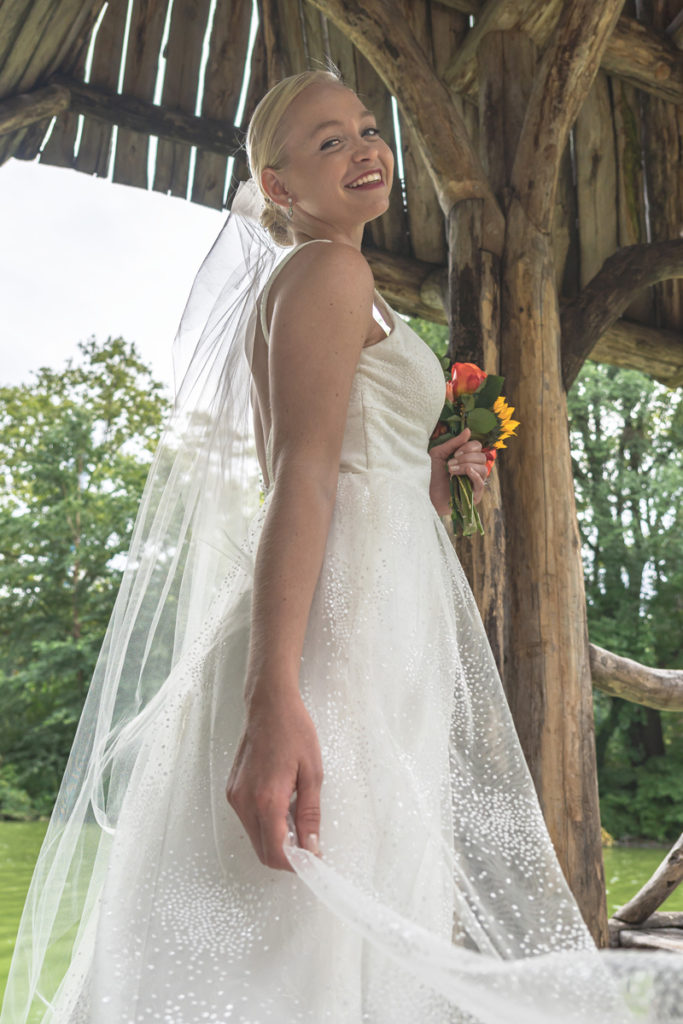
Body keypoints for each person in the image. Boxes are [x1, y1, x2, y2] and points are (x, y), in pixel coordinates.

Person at [2, 69, 682, 1024]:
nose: (367, 147)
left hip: (379, 625)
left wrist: (436, 471)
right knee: (306, 918)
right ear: (278, 187)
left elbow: (362, 480)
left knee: (365, 906)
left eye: (367, 128)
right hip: (337, 642)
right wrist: (273, 695)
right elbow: (304, 480)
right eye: (329, 140)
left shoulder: (338, 286)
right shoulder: (328, 270)